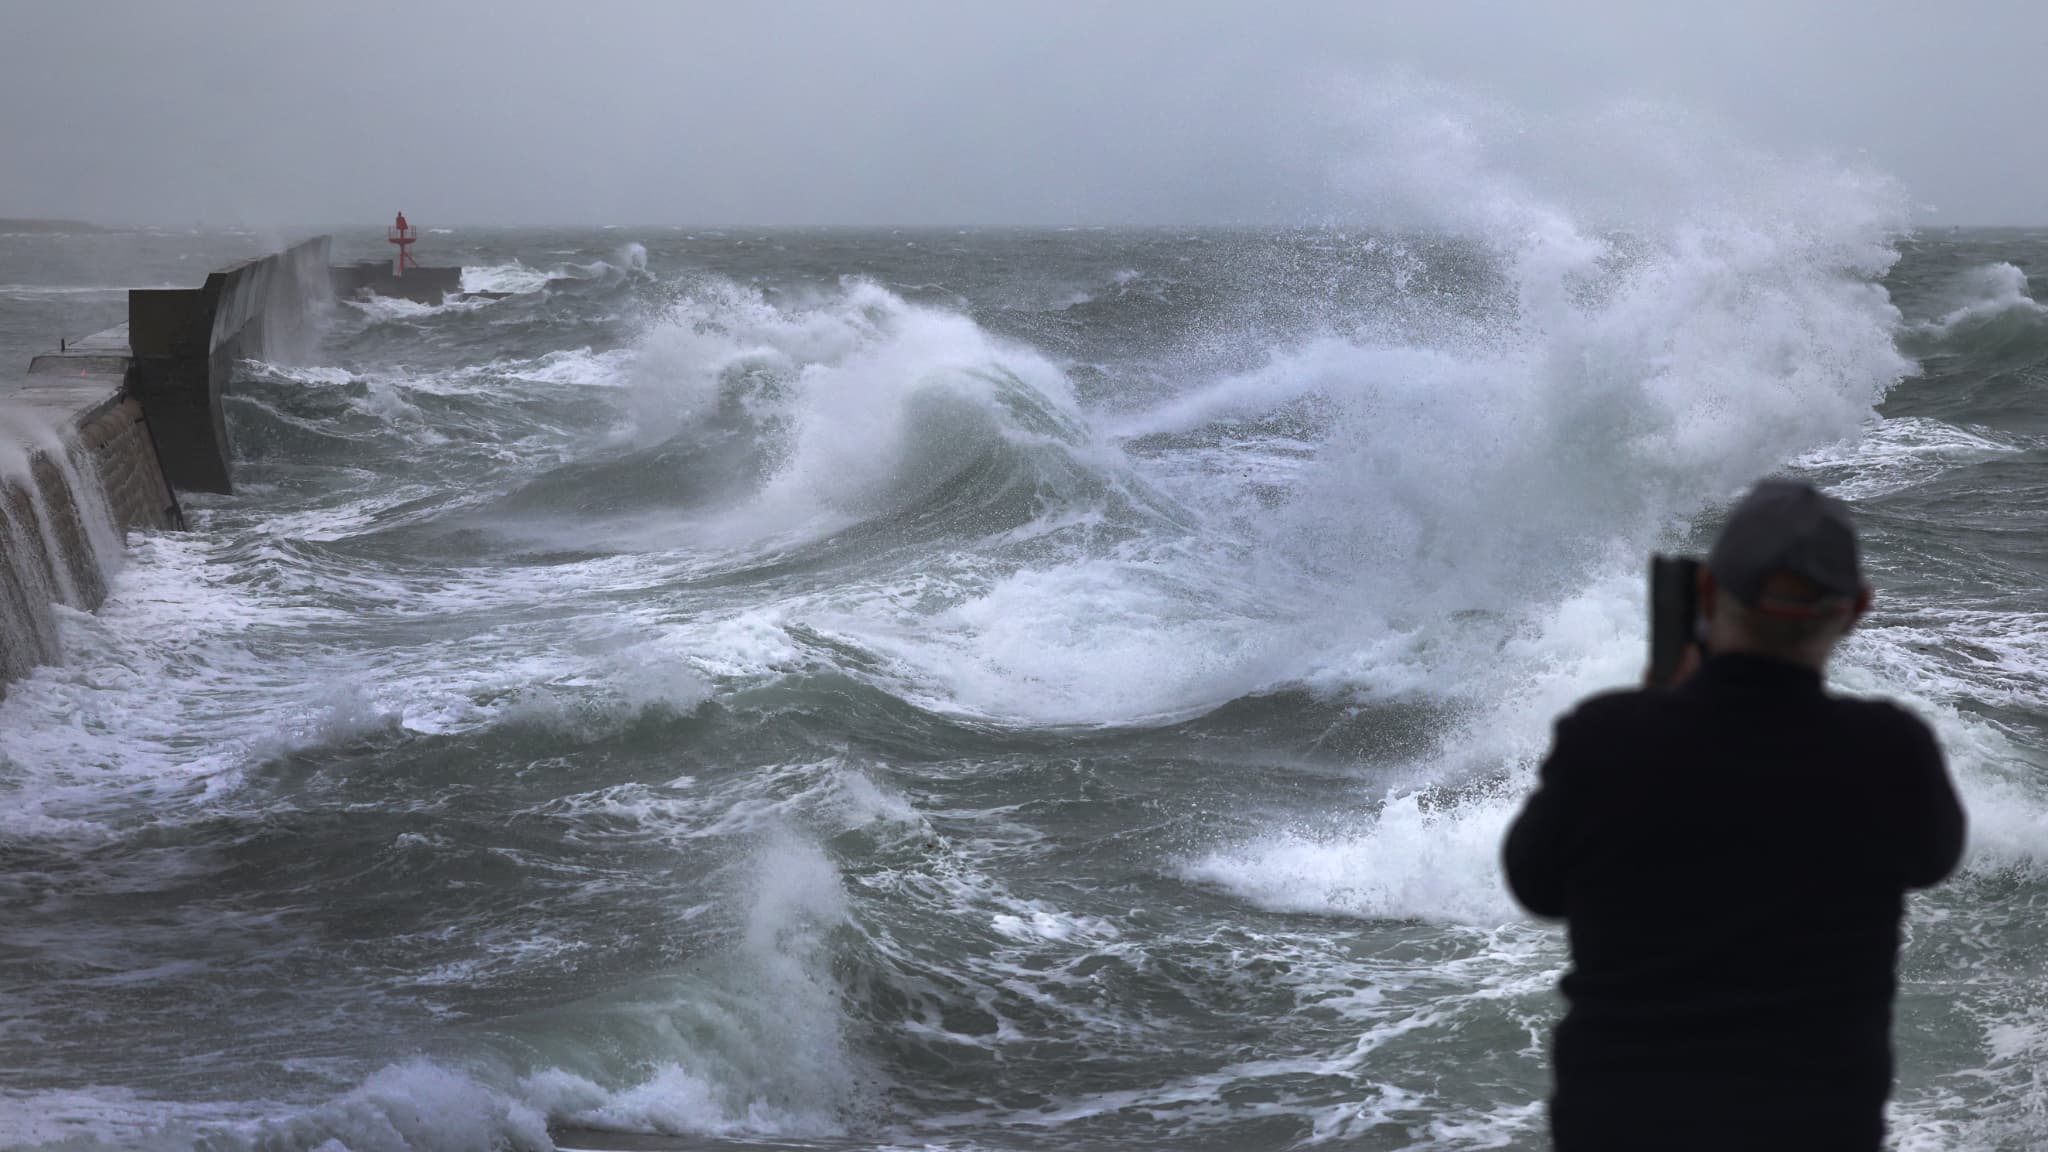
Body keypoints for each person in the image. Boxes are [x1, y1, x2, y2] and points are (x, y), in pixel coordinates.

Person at [1502, 478, 1966, 1151]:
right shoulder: (1890, 750)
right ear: (1857, 610)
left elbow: (1534, 887)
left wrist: (1654, 705)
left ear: (1709, 595)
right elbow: (1933, 861)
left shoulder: (1606, 738)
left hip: (1622, 1126)